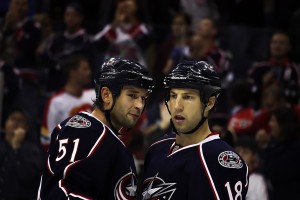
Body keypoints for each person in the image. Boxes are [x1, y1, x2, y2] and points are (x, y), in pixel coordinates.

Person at [37, 57, 154, 199]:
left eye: (143, 98)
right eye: (132, 95)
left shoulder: (77, 128)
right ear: (106, 95)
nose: (139, 105)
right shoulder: (93, 136)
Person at [140, 60, 249, 199]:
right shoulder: (157, 148)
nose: (177, 106)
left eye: (187, 97)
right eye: (173, 96)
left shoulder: (221, 159)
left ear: (209, 103)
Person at [40, 54, 94, 150]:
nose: (89, 73)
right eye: (85, 69)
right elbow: (47, 139)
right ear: (73, 73)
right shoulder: (56, 102)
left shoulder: (94, 95)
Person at [0, 107, 44, 200]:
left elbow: (28, 177)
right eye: (12, 119)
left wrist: (16, 147)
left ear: (26, 128)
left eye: (20, 121)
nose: (15, 123)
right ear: (6, 123)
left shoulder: (33, 151)